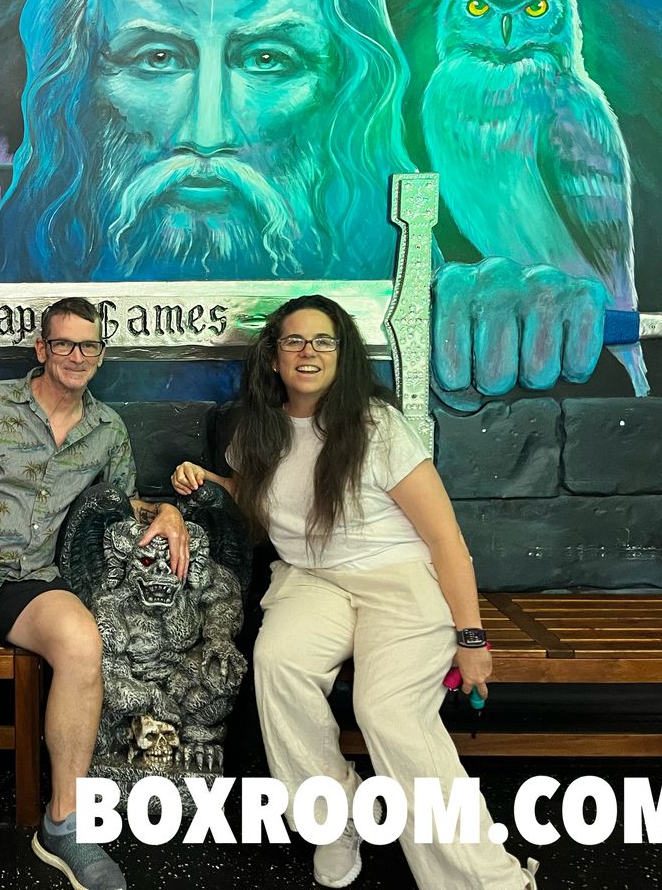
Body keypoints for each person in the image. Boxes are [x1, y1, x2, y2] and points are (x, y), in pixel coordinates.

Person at [0, 0, 612, 407]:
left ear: (344, 88)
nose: (207, 132)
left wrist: (497, 322)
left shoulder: (421, 317)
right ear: (77, 87)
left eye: (268, 59)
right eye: (156, 58)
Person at [172, 294, 539, 890]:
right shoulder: (256, 431)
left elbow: (445, 538)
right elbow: (265, 499)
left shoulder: (376, 427)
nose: (308, 352)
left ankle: (489, 880)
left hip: (398, 580)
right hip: (311, 579)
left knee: (386, 710)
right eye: (294, 340)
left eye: (324, 341)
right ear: (273, 356)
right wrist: (207, 480)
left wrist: (471, 637)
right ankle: (335, 817)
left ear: (342, 355)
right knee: (278, 662)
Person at [0, 296, 189, 890]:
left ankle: (64, 823)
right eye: (64, 344)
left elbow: (120, 505)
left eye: (89, 345)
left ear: (100, 355)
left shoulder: (107, 430)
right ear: (42, 348)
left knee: (82, 643)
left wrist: (167, 512)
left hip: (31, 576)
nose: (76, 355)